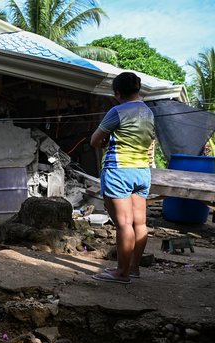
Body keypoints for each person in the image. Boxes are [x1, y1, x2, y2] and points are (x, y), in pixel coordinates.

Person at [90, 72, 155, 284]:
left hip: (119, 170)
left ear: (118, 93)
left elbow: (94, 140)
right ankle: (133, 269)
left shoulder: (117, 111)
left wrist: (106, 140)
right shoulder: (149, 113)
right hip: (142, 171)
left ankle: (121, 273)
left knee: (124, 224)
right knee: (140, 223)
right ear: (138, 89)